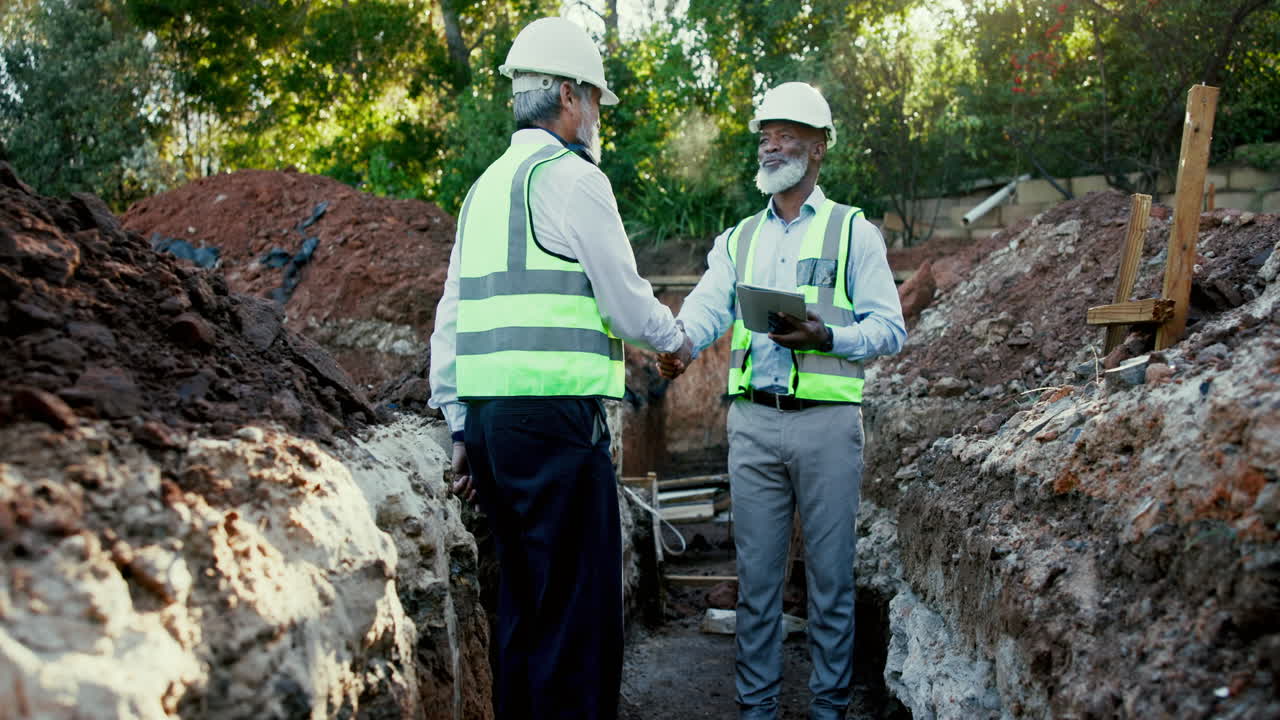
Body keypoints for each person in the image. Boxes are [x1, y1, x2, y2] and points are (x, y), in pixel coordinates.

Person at [427, 16, 692, 720]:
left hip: (490, 428)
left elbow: (450, 316)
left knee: (524, 609)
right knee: (578, 619)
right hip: (553, 425)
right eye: (597, 100)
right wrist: (673, 342)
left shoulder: (483, 190)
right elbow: (626, 300)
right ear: (569, 96)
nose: (597, 115)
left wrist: (460, 426)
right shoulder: (572, 179)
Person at [658, 81, 906, 720]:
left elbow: (891, 328)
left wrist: (830, 336)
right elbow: (710, 305)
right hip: (752, 425)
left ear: (818, 147)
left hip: (827, 427)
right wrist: (681, 342)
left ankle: (828, 709)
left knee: (830, 583)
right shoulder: (740, 239)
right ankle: (757, 709)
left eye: (786, 133)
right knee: (759, 586)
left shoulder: (854, 232)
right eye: (765, 134)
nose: (770, 144)